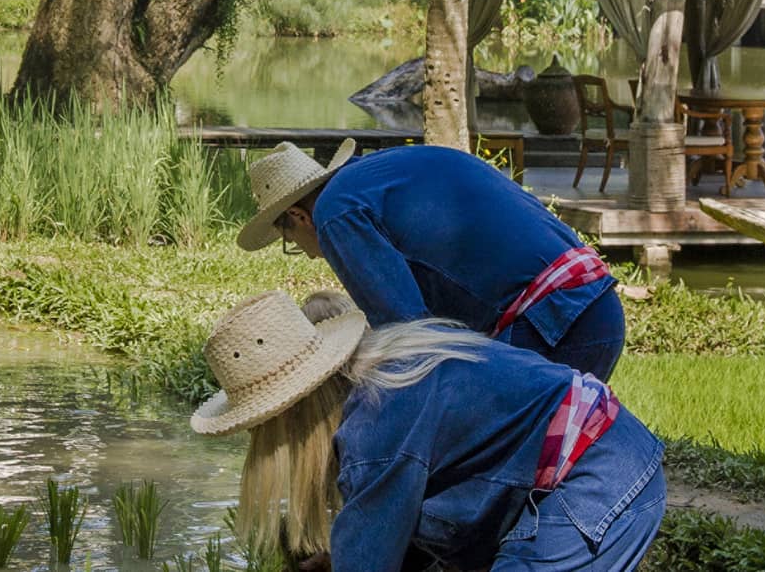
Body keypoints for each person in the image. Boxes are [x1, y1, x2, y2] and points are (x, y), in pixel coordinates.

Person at [190, 289, 665, 572]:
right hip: (606, 460)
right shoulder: (386, 378)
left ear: (288, 416)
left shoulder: (377, 424)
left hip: (598, 476)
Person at [238, 141, 624, 379]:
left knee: (467, 466)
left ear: (299, 217)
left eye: (290, 240)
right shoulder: (381, 175)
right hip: (593, 304)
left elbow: (410, 339)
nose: (308, 253)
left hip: (557, 323)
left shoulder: (336, 213)